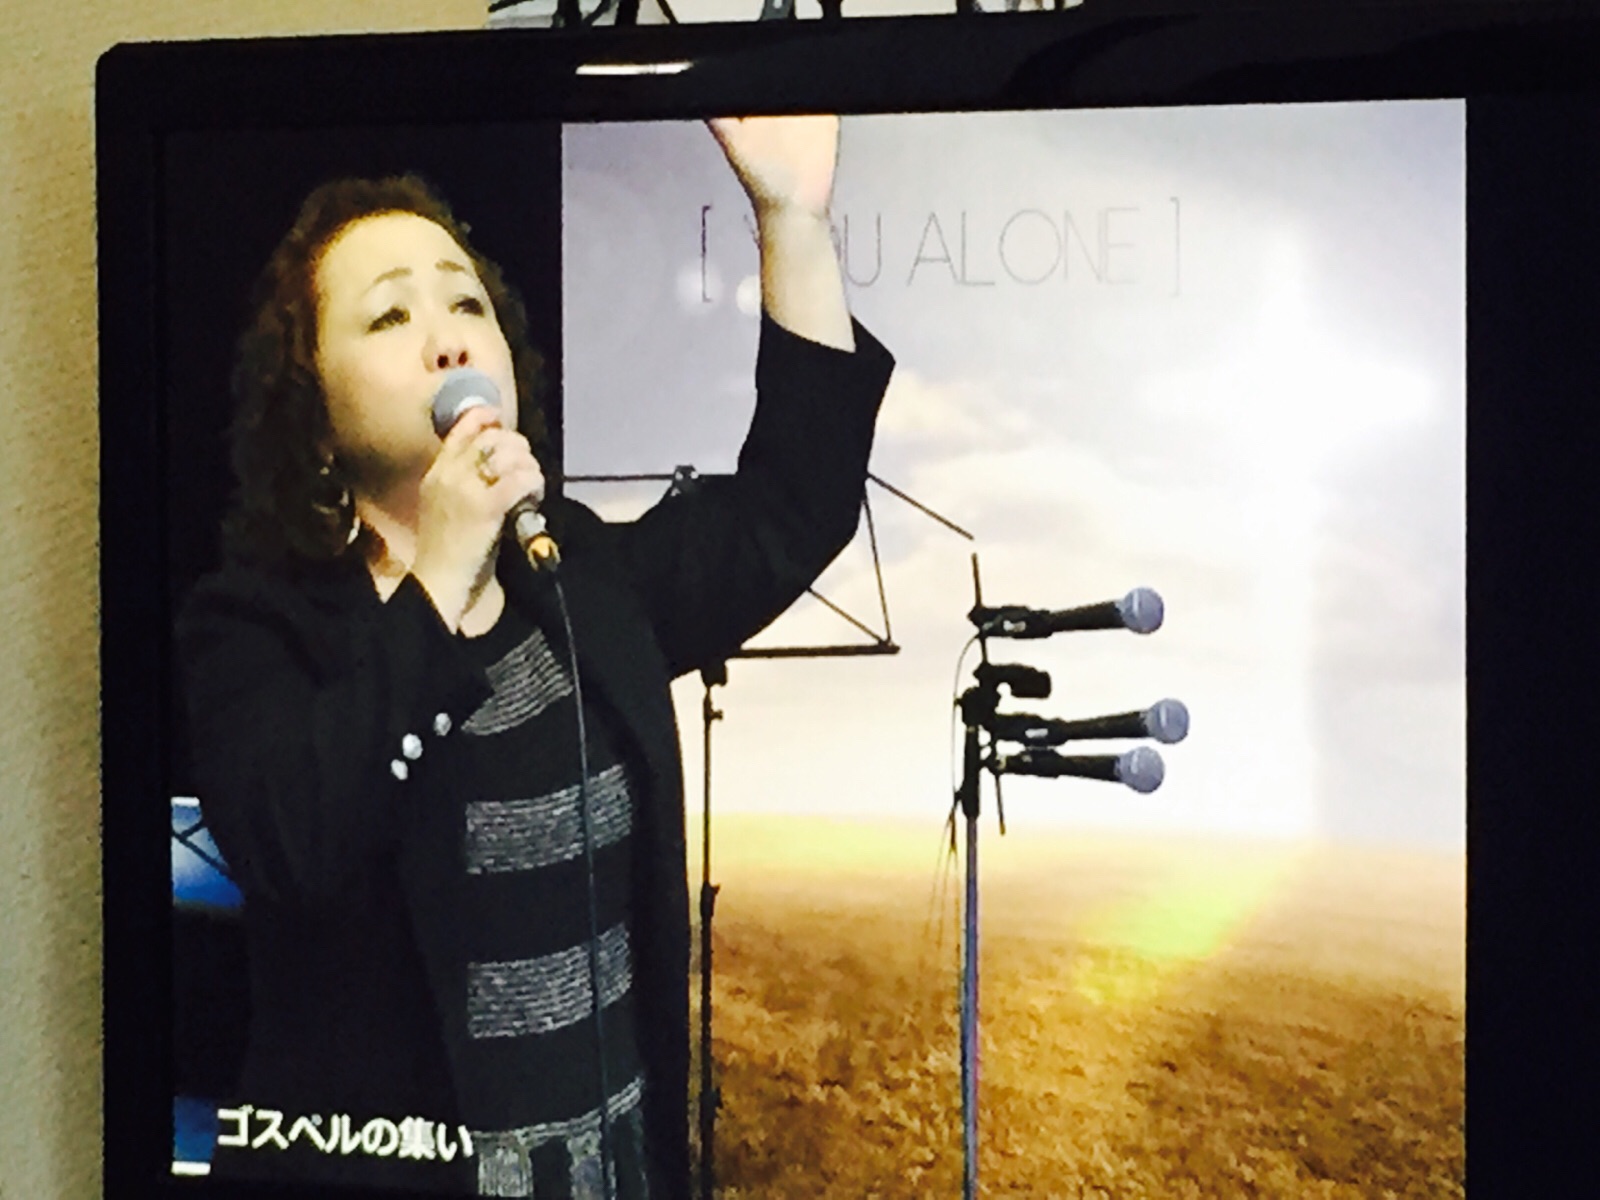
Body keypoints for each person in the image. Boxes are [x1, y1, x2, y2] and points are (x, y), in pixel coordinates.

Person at [175, 116, 894, 1199]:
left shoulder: (581, 576)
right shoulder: (252, 625)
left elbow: (793, 507)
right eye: (390, 316)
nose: (448, 340)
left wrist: (791, 219)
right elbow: (292, 840)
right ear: (315, 417)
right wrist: (440, 574)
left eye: (467, 305)